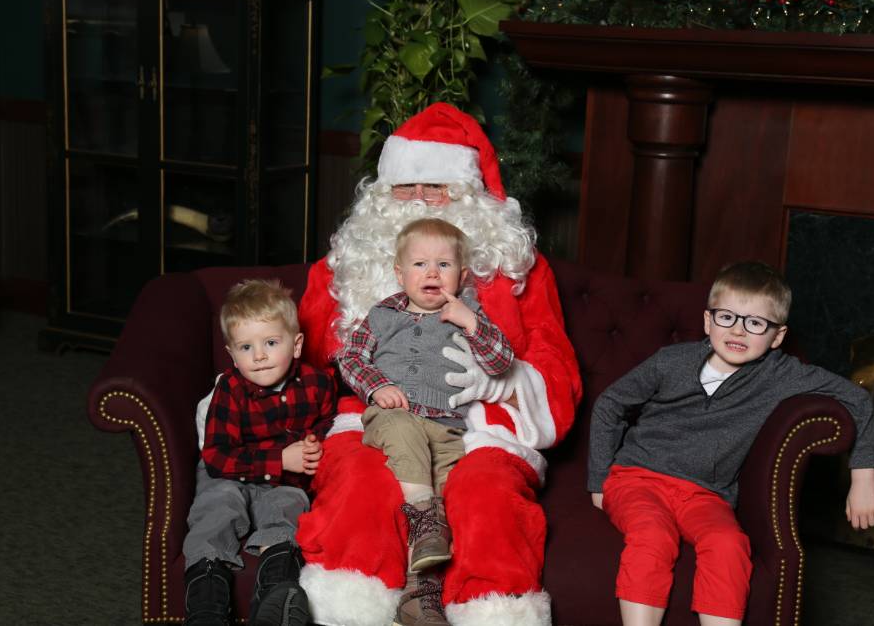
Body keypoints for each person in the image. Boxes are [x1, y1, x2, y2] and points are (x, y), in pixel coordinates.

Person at [294, 103, 583, 626]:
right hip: (378, 415)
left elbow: (554, 361)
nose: (419, 200)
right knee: (362, 481)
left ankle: (488, 613)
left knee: (485, 494)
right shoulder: (346, 270)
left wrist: (498, 384)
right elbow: (302, 357)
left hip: (480, 428)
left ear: (468, 195)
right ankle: (351, 610)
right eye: (406, 187)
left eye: (437, 188)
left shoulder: (517, 269)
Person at [587, 261, 874, 626]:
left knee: (729, 544)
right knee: (652, 534)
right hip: (638, 478)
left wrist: (863, 477)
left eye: (756, 323)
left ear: (777, 336)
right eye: (726, 317)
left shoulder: (781, 374)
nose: (738, 330)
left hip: (707, 494)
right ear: (708, 321)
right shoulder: (671, 361)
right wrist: (598, 480)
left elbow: (857, 399)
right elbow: (611, 405)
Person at [337, 218, 514, 599]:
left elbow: (501, 362)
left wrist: (471, 324)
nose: (432, 272)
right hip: (393, 416)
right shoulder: (382, 315)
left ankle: (421, 596)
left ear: (461, 276)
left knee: (450, 502)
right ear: (400, 274)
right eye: (420, 264)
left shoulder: (467, 313)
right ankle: (422, 511)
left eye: (443, 264)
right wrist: (377, 386)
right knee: (404, 438)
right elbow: (350, 357)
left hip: (446, 429)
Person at [184, 279, 337, 626]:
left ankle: (274, 597)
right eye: (246, 347)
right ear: (231, 354)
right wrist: (280, 458)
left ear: (296, 345)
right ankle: (206, 606)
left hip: (284, 481)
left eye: (270, 342)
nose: (259, 356)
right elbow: (217, 457)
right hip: (229, 473)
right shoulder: (231, 389)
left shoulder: (318, 384)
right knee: (217, 509)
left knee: (289, 509)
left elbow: (329, 423)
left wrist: (314, 444)